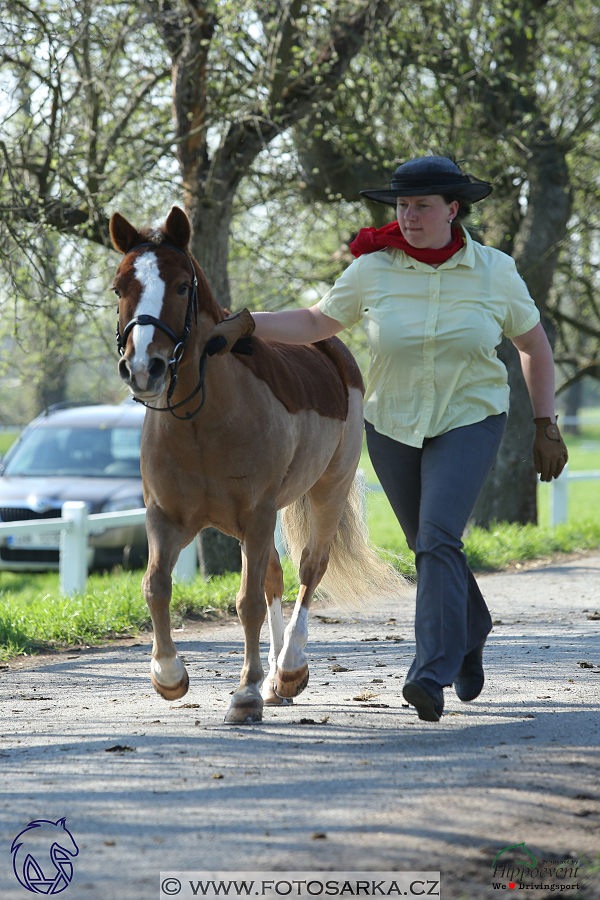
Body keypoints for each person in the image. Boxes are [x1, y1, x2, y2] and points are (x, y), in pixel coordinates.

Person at [206, 155, 568, 722]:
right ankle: (471, 626)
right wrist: (248, 322)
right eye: (401, 205)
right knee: (433, 547)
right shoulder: (374, 270)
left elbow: (534, 346)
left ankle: (430, 670)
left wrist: (545, 423)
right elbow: (315, 324)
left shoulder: (495, 270)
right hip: (393, 425)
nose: (409, 215)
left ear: (453, 209)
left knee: (436, 538)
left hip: (470, 417)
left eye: (422, 205)